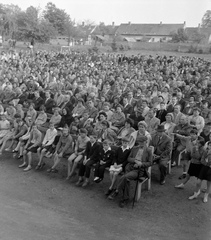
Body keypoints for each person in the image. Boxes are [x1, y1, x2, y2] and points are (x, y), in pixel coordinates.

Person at [108, 136, 153, 208]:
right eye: (139, 142)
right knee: (126, 180)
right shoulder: (134, 148)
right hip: (129, 167)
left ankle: (116, 191)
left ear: (146, 142)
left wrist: (141, 164)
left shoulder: (148, 150)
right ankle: (125, 198)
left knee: (125, 177)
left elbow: (150, 163)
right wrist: (135, 160)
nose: (140, 144)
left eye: (142, 142)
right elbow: (129, 158)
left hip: (138, 170)